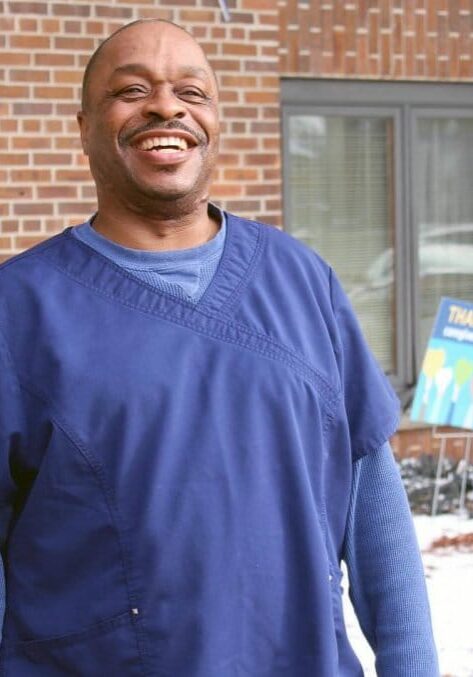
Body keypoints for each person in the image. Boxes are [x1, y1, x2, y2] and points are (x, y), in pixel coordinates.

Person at [0, 19, 439, 676]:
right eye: (131, 89)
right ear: (84, 124)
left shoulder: (301, 280)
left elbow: (370, 500)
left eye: (191, 91)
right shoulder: (20, 309)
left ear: (215, 121)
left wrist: (412, 662)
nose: (166, 106)